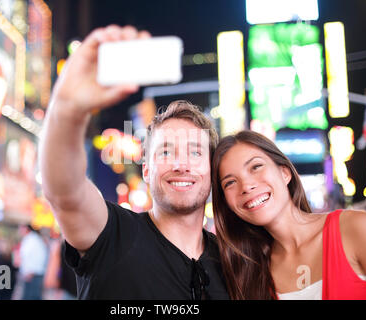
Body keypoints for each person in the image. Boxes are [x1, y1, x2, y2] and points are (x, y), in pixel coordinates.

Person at [39, 24, 229, 299]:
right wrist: (67, 107)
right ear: (147, 170)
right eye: (166, 152)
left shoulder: (233, 264)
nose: (181, 164)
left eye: (195, 152)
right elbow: (64, 193)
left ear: (211, 170)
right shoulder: (112, 235)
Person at [211, 130, 366, 300]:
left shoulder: (354, 227)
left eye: (256, 167)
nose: (246, 186)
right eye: (230, 182)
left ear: (285, 173)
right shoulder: (248, 274)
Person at [18, 224, 48, 300]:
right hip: (29, 274)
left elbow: (40, 257)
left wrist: (31, 271)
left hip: (34, 274)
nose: (19, 231)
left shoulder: (34, 240)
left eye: (21, 229)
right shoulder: (28, 239)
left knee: (33, 296)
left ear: (27, 229)